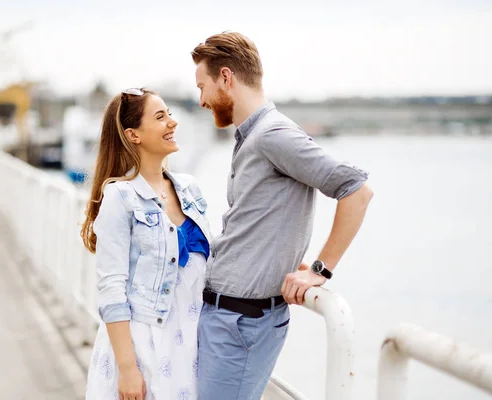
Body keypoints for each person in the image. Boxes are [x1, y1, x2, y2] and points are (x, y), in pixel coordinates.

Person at [191, 32, 374, 399]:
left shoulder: (272, 134)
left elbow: (356, 189)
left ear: (227, 78)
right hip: (226, 319)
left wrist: (319, 270)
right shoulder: (251, 136)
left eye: (203, 87)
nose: (201, 100)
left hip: (242, 325)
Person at [81, 88, 211, 400]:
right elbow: (112, 288)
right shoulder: (120, 197)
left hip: (193, 344)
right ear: (133, 135)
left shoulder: (190, 189)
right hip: (144, 345)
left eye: (170, 114)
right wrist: (127, 368)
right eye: (160, 116)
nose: (172, 122)